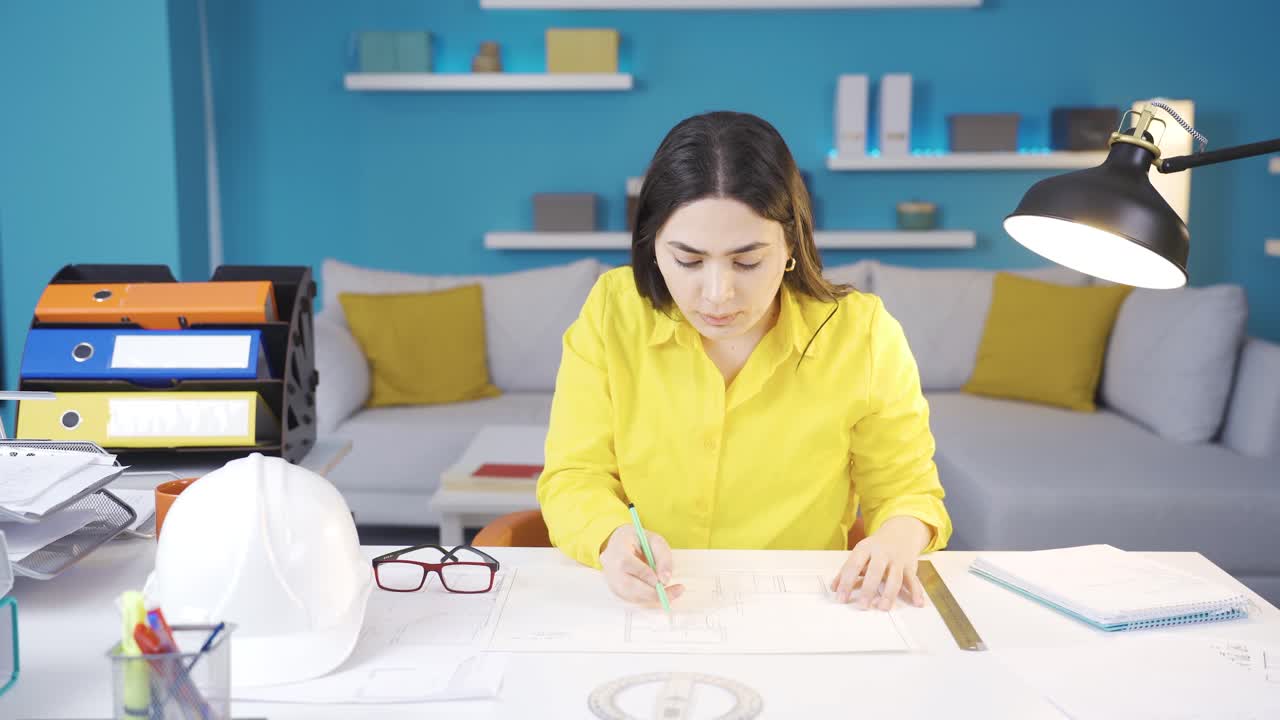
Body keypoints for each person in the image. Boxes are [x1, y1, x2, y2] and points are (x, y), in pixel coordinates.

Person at [536, 111, 951, 612]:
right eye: (687, 261)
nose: (718, 294)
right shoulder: (612, 312)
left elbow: (908, 491)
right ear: (652, 246)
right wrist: (609, 538)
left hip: (804, 613)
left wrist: (897, 540)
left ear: (791, 243)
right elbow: (574, 475)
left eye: (747, 261)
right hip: (651, 609)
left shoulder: (862, 335)